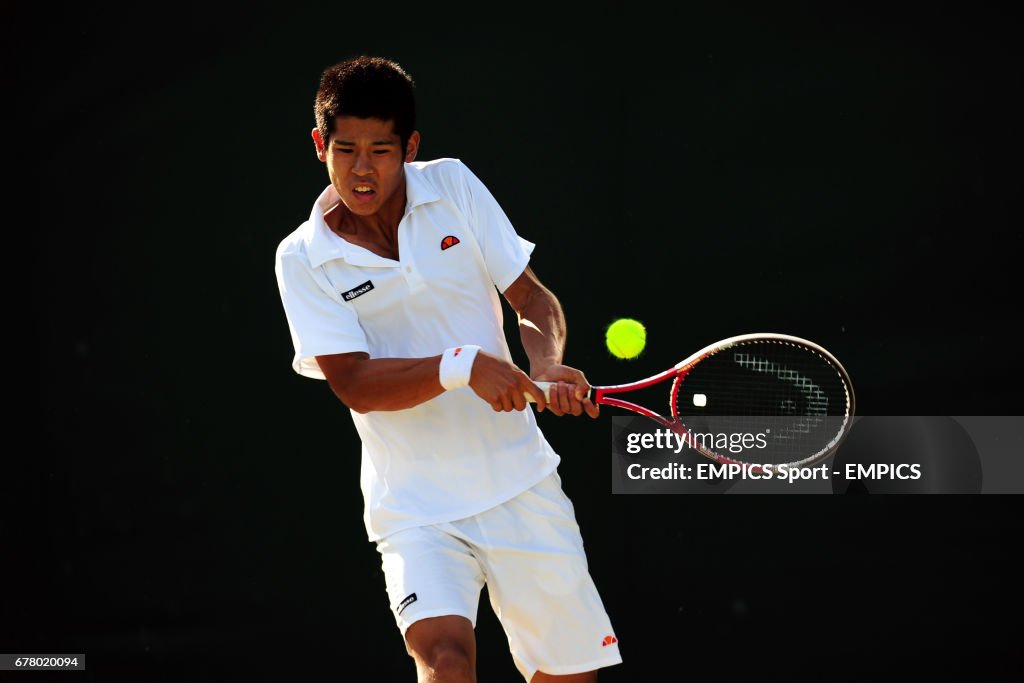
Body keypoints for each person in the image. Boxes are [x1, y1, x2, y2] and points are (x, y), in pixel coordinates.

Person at [274, 55, 621, 683]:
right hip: (414, 508)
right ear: (319, 145)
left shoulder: (455, 186)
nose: (361, 168)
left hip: (521, 486)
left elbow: (532, 299)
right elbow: (352, 384)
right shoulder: (302, 258)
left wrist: (547, 365)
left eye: (380, 150)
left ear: (409, 147)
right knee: (446, 662)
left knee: (569, 678)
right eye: (345, 148)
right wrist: (462, 366)